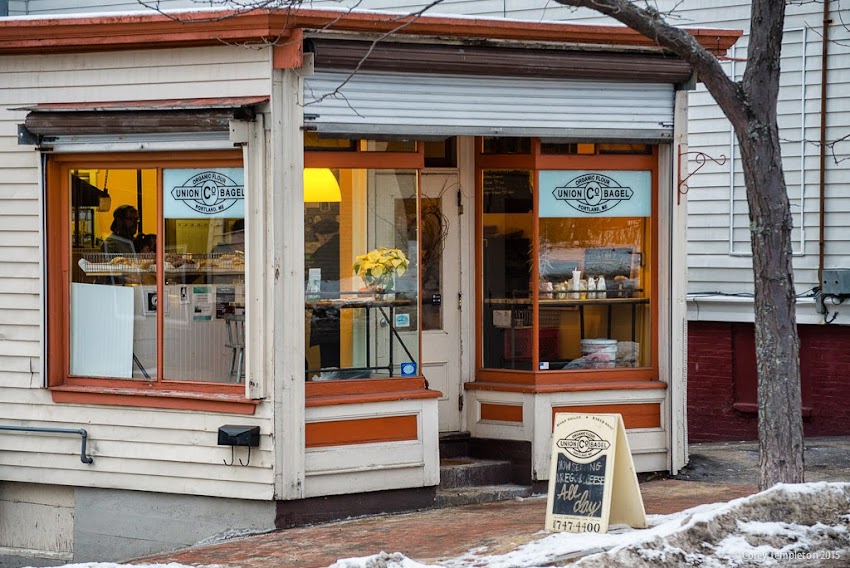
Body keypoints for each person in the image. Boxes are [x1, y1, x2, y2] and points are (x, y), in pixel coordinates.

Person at [308, 219, 341, 370]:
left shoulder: (322, 254)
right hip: (344, 308)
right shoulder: (347, 247)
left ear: (323, 236)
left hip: (327, 312)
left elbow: (316, 284)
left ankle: (329, 382)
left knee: (329, 356)